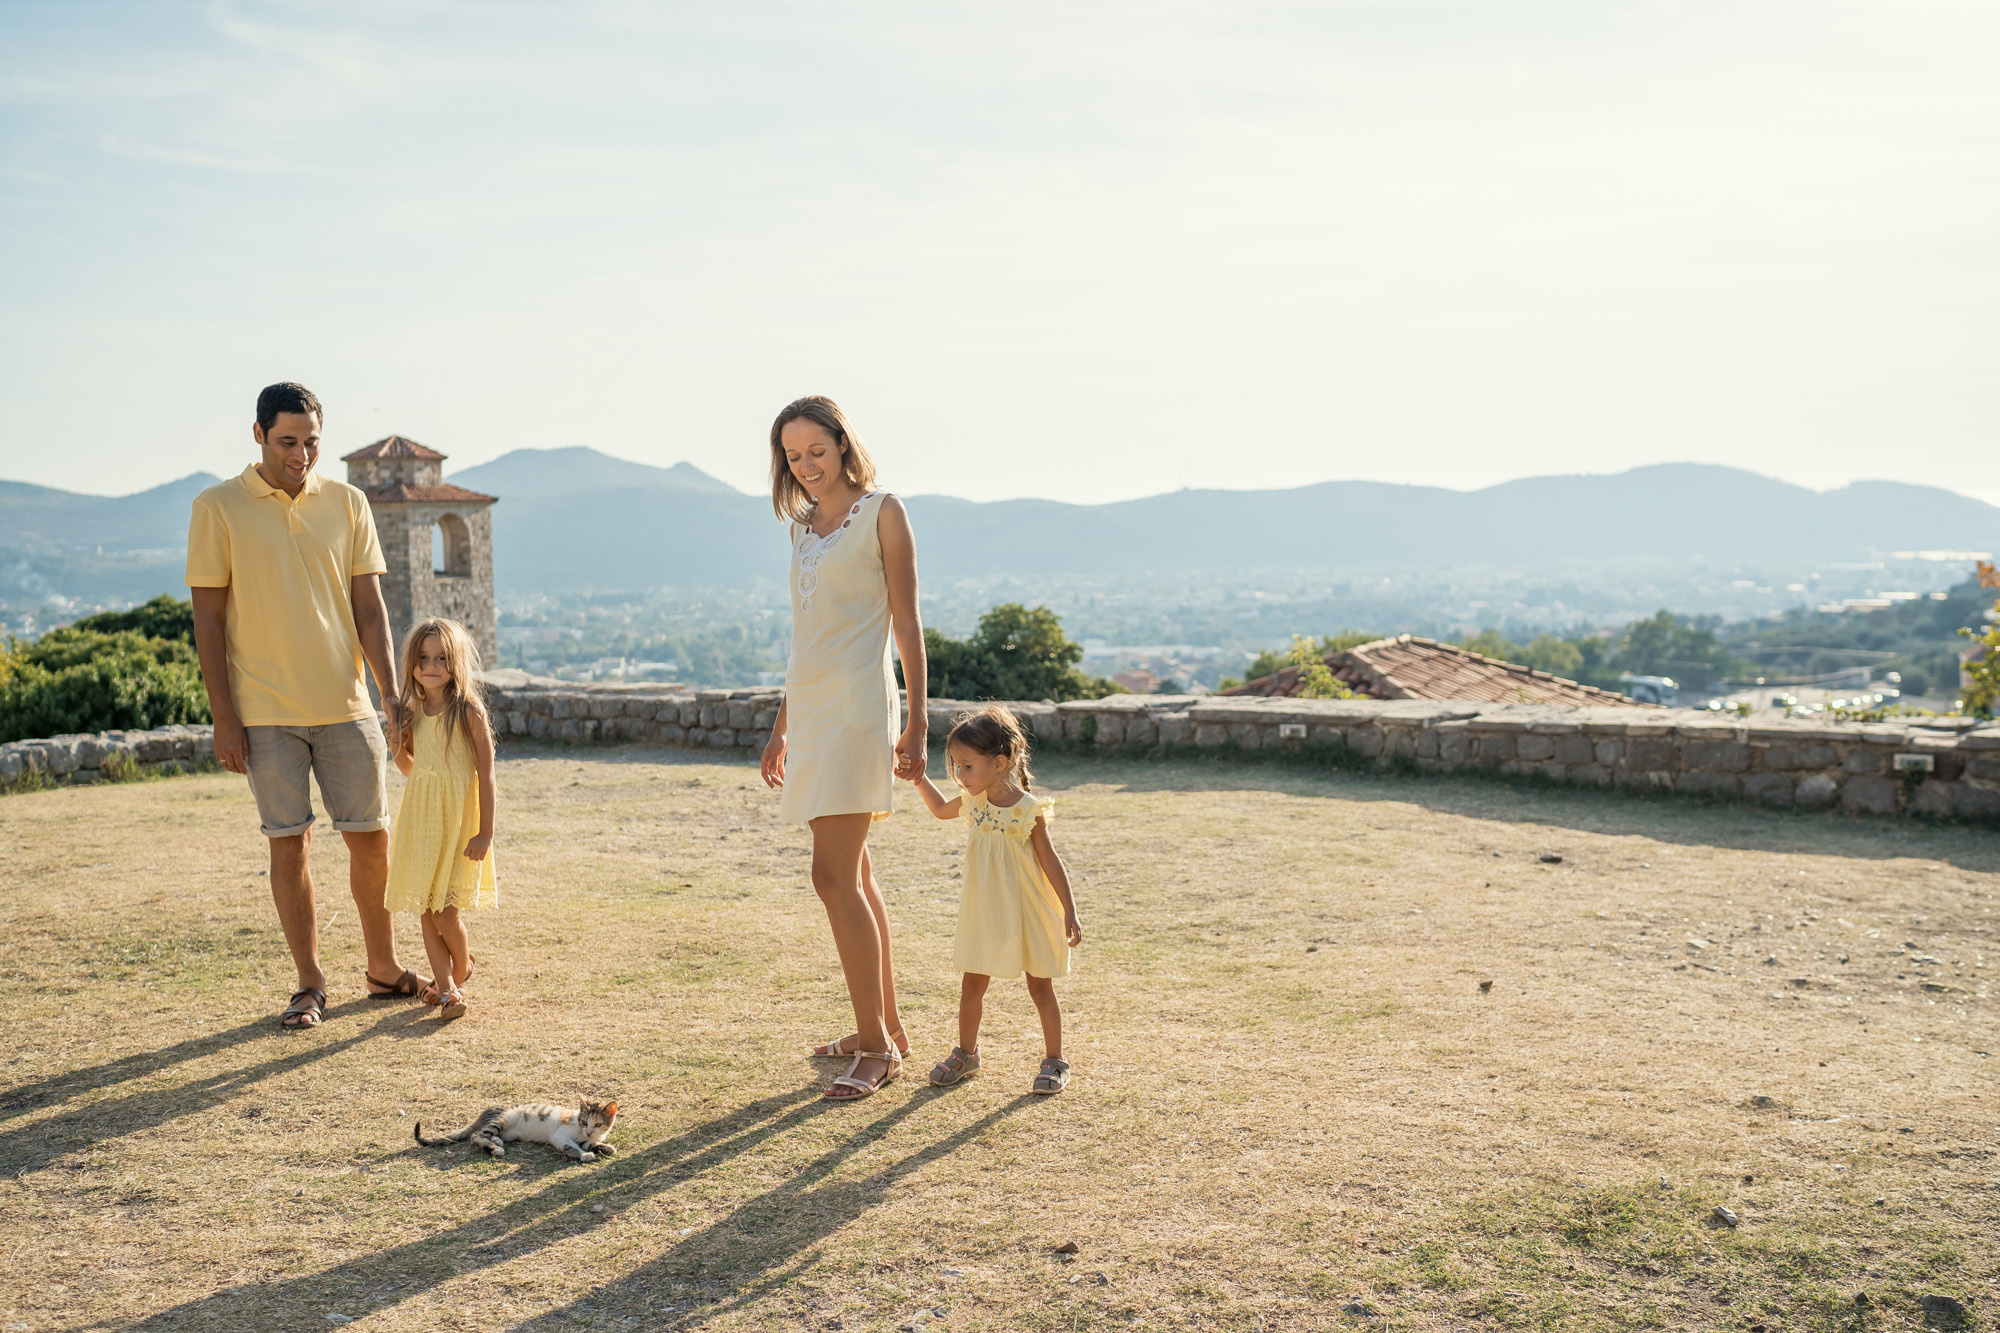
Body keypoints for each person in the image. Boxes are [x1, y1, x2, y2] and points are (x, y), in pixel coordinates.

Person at [187, 382, 418, 1029]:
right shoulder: (218, 507)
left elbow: (369, 607)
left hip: (346, 705)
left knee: (372, 839)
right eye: (289, 441)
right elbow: (208, 619)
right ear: (258, 435)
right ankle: (311, 984)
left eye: (312, 441)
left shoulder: (347, 502)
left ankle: (382, 967)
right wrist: (224, 715)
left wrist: (390, 692)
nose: (302, 454)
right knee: (290, 846)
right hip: (264, 711)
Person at [759, 396, 928, 1102]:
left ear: (842, 442)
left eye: (816, 450)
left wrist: (919, 722)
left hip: (861, 706)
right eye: (793, 456)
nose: (806, 465)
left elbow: (907, 620)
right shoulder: (802, 528)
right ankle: (881, 1026)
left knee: (831, 878)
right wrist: (781, 724)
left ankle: (878, 1047)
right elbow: (809, 638)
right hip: (815, 708)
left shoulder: (883, 511)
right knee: (853, 871)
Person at [908, 706, 1084, 1095]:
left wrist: (1069, 909)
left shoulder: (1027, 810)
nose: (959, 775)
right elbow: (939, 810)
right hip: (986, 913)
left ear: (999, 762)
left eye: (967, 766)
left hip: (1029, 911)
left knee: (1040, 986)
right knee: (972, 985)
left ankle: (1055, 1060)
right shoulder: (973, 802)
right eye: (955, 766)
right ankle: (966, 1054)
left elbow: (1050, 862)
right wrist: (920, 778)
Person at [382, 617, 497, 1022]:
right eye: (424, 658)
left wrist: (485, 832)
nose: (431, 666)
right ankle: (447, 991)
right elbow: (411, 768)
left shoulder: (467, 710)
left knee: (445, 912)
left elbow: (486, 772)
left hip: (457, 820)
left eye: (441, 658)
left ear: (456, 663)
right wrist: (396, 741)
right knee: (426, 910)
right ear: (412, 662)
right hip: (421, 818)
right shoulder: (414, 711)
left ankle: (461, 969)